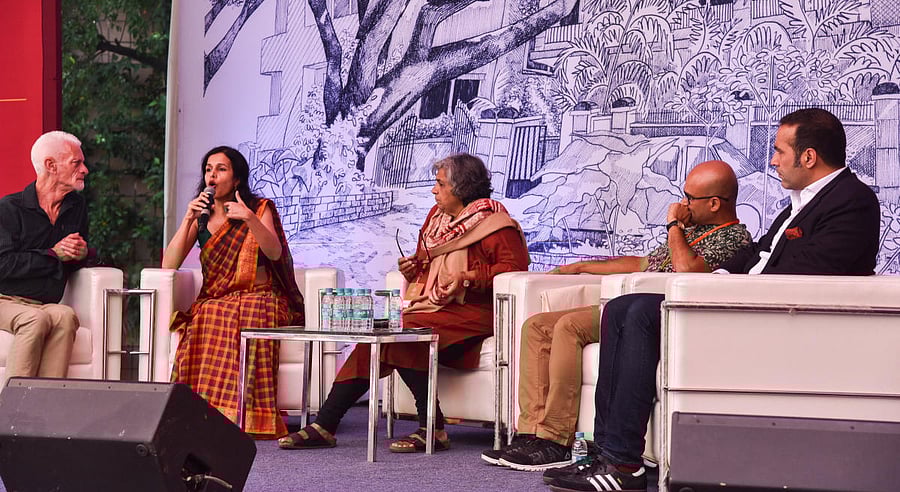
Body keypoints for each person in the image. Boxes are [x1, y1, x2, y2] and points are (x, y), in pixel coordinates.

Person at [545, 108, 880, 492]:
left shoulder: (853, 201)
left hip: (771, 317)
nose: (772, 160)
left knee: (638, 312)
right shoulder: (800, 203)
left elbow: (809, 275)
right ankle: (607, 454)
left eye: (779, 151)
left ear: (808, 157)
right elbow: (759, 254)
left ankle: (624, 466)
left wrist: (724, 290)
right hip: (742, 302)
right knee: (624, 306)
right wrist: (716, 280)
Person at [483, 161, 752, 471]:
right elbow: (642, 263)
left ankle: (555, 440)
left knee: (569, 326)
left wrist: (673, 225)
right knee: (537, 326)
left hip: (651, 315)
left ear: (715, 203)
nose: (682, 205)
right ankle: (531, 433)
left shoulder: (734, 238)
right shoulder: (693, 231)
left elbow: (687, 270)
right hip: (627, 306)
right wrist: (581, 266)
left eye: (689, 197)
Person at [278, 153, 529, 452]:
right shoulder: (436, 220)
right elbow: (428, 266)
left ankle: (431, 428)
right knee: (382, 336)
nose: (434, 190)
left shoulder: (495, 224)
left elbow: (514, 268)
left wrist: (469, 277)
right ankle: (325, 425)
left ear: (461, 188)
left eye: (440, 184)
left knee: (404, 332)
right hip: (436, 308)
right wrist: (414, 269)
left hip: (475, 312)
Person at [162, 145, 304, 439]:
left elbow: (274, 253)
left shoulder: (260, 207)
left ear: (237, 179)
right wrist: (188, 218)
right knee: (205, 315)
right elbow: (169, 263)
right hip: (216, 298)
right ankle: (200, 416)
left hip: (261, 295)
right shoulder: (200, 215)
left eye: (221, 169)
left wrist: (249, 218)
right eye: (208, 169)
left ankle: (246, 418)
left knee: (238, 311)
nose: (212, 176)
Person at [0, 131, 91, 387]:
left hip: (41, 302)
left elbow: (76, 259)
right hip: (4, 300)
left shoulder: (76, 206)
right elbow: (3, 265)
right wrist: (53, 254)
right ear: (51, 165)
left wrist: (83, 254)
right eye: (77, 163)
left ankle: (47, 407)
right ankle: (11, 411)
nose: (85, 169)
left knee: (64, 316)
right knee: (36, 320)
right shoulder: (10, 208)